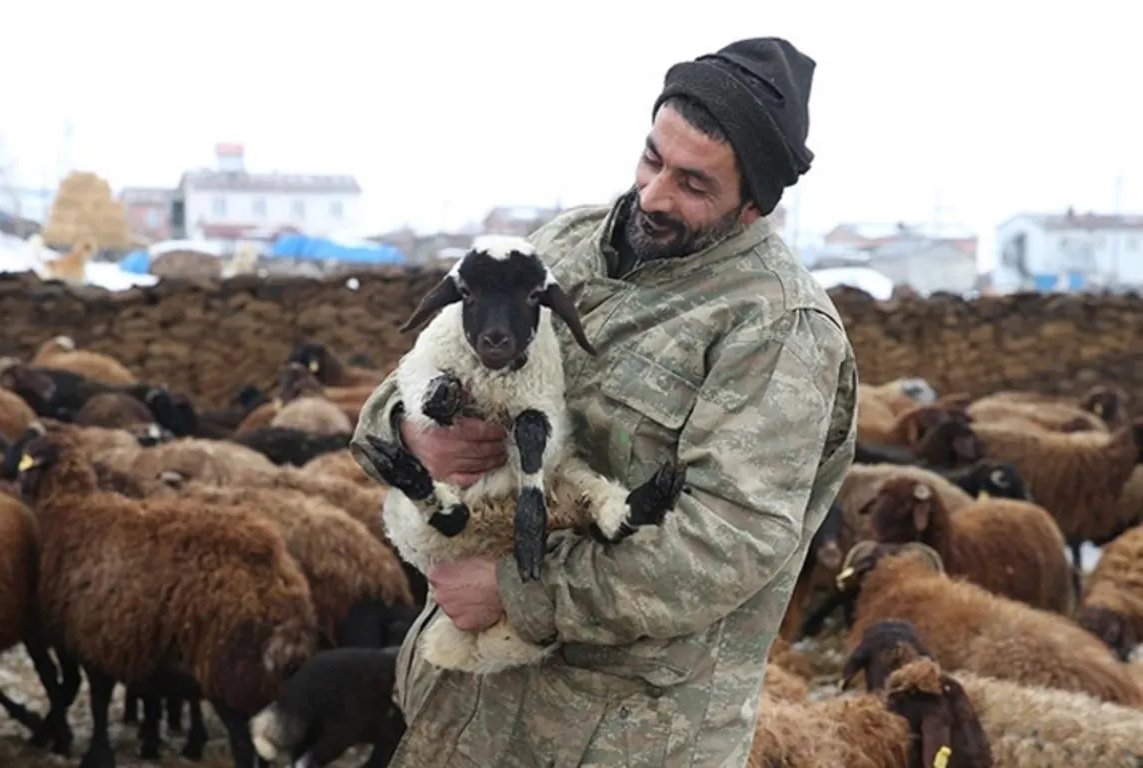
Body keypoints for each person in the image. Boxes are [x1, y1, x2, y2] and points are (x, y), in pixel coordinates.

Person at [350, 35, 858, 767]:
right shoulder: (563, 243)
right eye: (653, 158)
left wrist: (518, 594)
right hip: (458, 713)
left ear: (752, 206)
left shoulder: (776, 329)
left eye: (693, 184)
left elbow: (727, 543)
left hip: (616, 737)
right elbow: (431, 356)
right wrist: (406, 427)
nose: (653, 196)